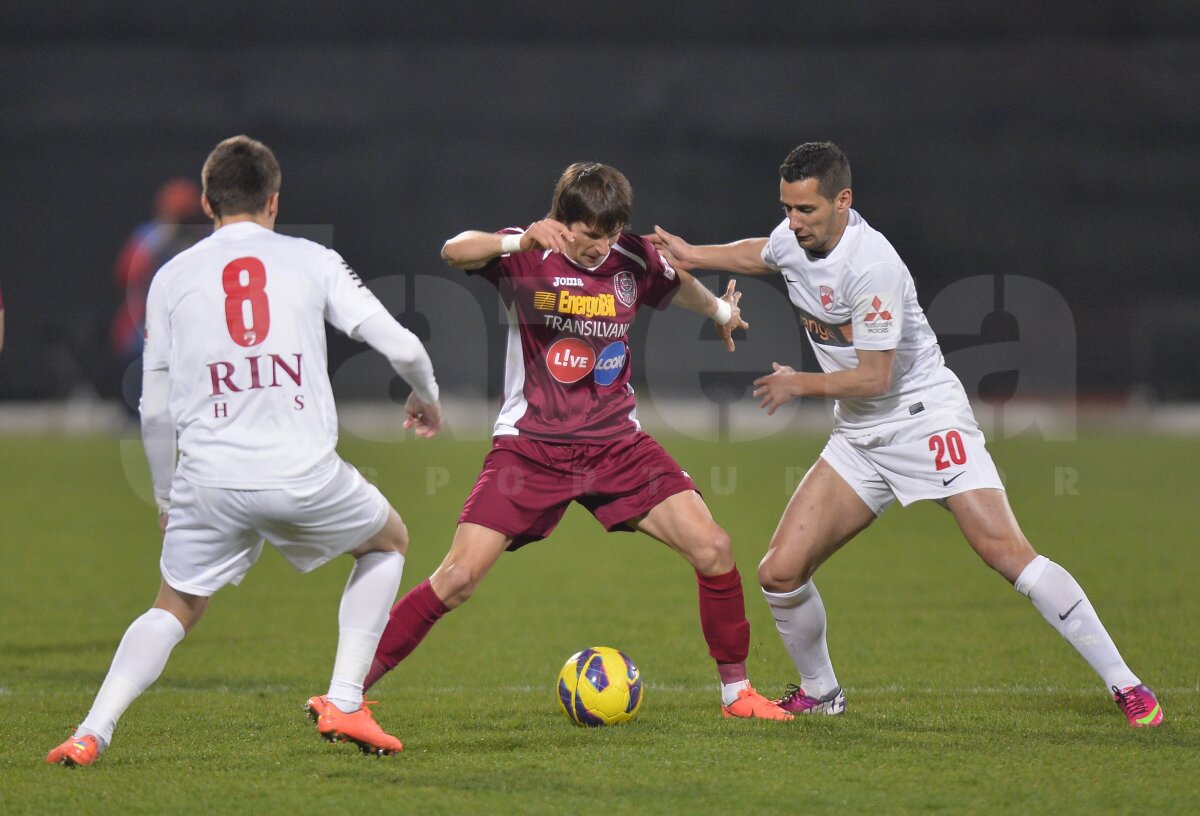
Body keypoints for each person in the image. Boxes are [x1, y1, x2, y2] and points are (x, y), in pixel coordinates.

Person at [651, 141, 1162, 727]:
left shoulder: (874, 267)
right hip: (861, 436)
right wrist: (695, 253)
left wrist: (798, 385)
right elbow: (765, 254)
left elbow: (874, 377)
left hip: (924, 419)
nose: (794, 222)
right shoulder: (798, 236)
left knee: (1005, 552)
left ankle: (1126, 683)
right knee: (779, 572)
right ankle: (821, 692)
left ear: (843, 201)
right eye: (787, 208)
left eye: (806, 211)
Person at [47, 135, 443, 768]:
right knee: (387, 542)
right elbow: (403, 347)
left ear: (208, 203)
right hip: (304, 475)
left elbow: (154, 408)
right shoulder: (312, 259)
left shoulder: (170, 276)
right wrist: (426, 396)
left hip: (208, 481)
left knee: (174, 604)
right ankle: (344, 698)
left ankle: (92, 731)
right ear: (274, 202)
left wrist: (165, 497)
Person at [344, 161, 791, 722]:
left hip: (615, 445)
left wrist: (722, 311)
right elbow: (453, 251)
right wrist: (516, 237)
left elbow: (678, 284)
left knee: (715, 548)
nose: (595, 247)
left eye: (606, 234)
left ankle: (737, 695)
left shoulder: (630, 256)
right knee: (457, 578)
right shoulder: (530, 252)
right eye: (586, 233)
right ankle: (347, 690)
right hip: (531, 446)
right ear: (563, 220)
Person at [106, 177, 207, 408]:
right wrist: (164, 235)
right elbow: (126, 275)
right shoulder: (149, 235)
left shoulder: (205, 239)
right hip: (148, 321)